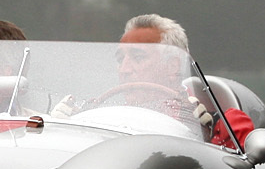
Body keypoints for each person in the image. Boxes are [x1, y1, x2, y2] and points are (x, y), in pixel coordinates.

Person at [99, 14, 255, 148]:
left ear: (172, 66)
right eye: (120, 60)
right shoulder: (103, 120)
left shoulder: (223, 128)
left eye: (138, 57)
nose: (124, 70)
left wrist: (206, 137)